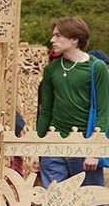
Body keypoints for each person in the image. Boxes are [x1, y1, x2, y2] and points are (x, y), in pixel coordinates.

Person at [37, 17, 107, 188]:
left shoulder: (97, 68)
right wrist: (36, 150)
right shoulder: (51, 70)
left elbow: (104, 112)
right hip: (53, 147)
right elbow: (45, 111)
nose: (52, 40)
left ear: (74, 39)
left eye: (58, 36)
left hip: (84, 147)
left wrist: (95, 151)